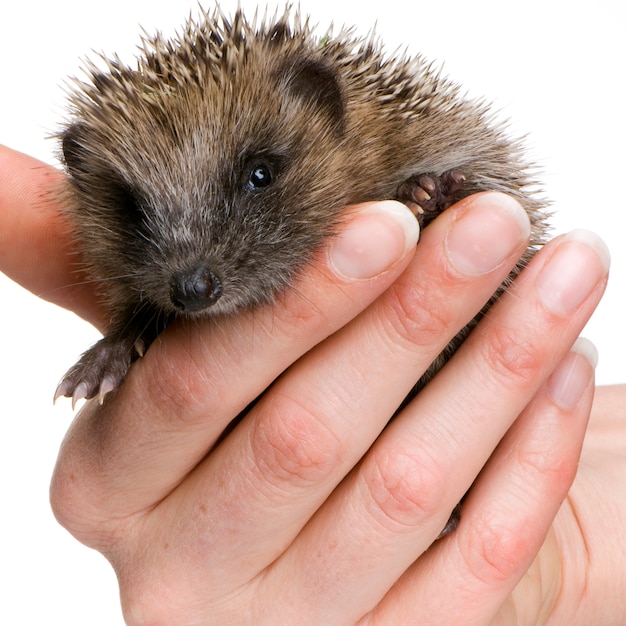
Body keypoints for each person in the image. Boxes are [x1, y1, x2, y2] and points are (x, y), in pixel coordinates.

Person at [1, 144, 624, 625]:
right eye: (140, 214)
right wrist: (124, 340)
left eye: (257, 181)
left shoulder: (405, 166)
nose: (194, 280)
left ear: (324, 110)